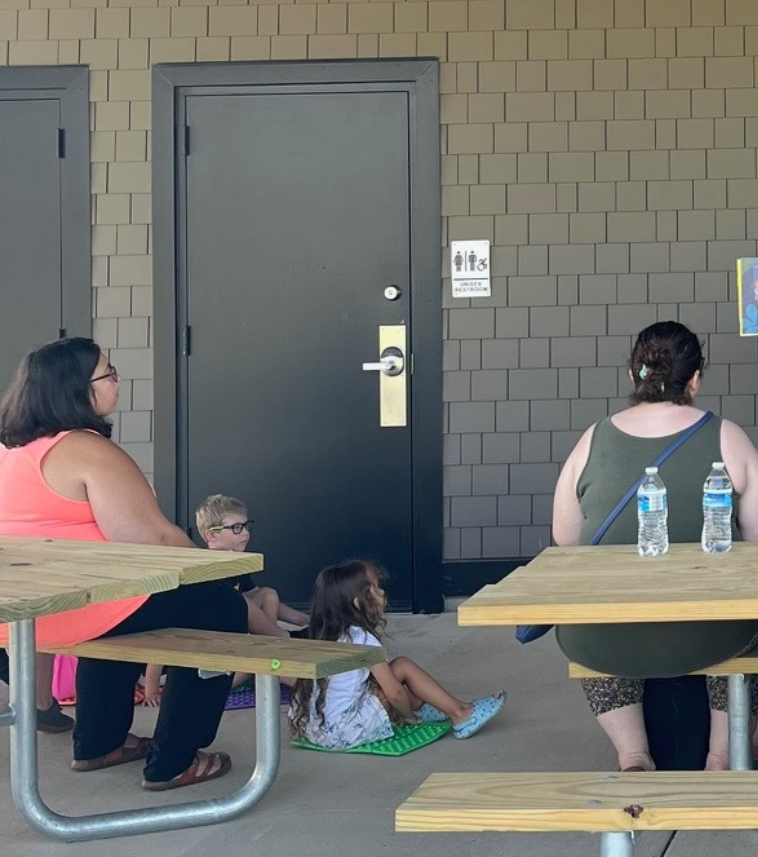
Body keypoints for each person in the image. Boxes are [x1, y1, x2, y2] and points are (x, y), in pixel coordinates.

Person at [0, 338, 243, 790]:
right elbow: (153, 539)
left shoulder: (11, 452)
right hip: (78, 606)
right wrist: (222, 576)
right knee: (222, 609)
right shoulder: (84, 449)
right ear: (77, 389)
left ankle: (100, 742)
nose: (118, 379)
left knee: (119, 612)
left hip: (28, 618)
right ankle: (176, 759)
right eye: (108, 373)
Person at [551, 321, 758, 772]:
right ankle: (722, 756)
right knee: (748, 624)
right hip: (710, 633)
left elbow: (566, 538)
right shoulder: (727, 436)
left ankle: (633, 755)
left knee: (593, 620)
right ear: (695, 378)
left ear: (632, 373)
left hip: (607, 638)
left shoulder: (593, 438)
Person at [289, 561, 503, 748]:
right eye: (375, 589)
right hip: (346, 732)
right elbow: (395, 694)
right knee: (401, 667)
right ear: (357, 604)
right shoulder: (362, 640)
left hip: (315, 730)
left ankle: (429, 707)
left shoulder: (322, 635)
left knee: (377, 678)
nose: (382, 593)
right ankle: (461, 713)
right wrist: (407, 717)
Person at [140, 493, 310, 708]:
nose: (245, 533)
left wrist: (305, 619)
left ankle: (279, 644)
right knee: (259, 653)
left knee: (267, 594)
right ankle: (303, 675)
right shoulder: (201, 575)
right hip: (201, 669)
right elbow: (167, 635)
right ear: (211, 535)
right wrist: (152, 688)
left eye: (246, 526)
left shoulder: (235, 565)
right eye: (236, 528)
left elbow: (263, 598)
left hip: (231, 651)